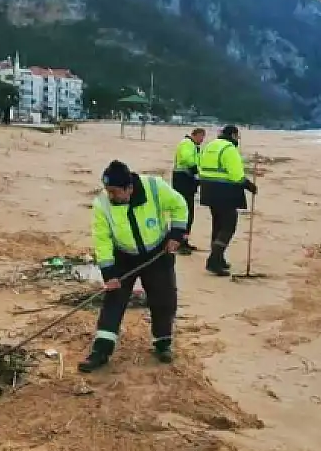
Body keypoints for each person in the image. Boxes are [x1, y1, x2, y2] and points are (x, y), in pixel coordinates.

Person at [78, 160, 188, 373]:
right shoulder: (102, 204)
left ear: (129, 188)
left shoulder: (155, 187)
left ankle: (162, 343)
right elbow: (102, 238)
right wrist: (108, 272)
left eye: (115, 192)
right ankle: (101, 351)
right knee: (113, 302)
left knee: (163, 299)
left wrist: (176, 234)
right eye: (108, 191)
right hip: (123, 257)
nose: (111, 196)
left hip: (157, 254)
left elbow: (179, 205)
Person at [198, 125, 257, 276]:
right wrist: (249, 186)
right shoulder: (229, 149)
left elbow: (200, 166)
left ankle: (219, 258)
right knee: (228, 226)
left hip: (208, 190)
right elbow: (236, 175)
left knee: (217, 225)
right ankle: (214, 260)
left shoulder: (210, 146)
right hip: (225, 192)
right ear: (232, 135)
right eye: (237, 136)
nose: (238, 140)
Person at [171, 127, 205, 254]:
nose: (202, 140)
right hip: (182, 180)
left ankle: (184, 241)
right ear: (195, 135)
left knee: (188, 212)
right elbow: (186, 159)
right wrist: (196, 168)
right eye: (201, 137)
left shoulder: (193, 146)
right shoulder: (187, 143)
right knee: (185, 212)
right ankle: (180, 243)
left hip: (187, 181)